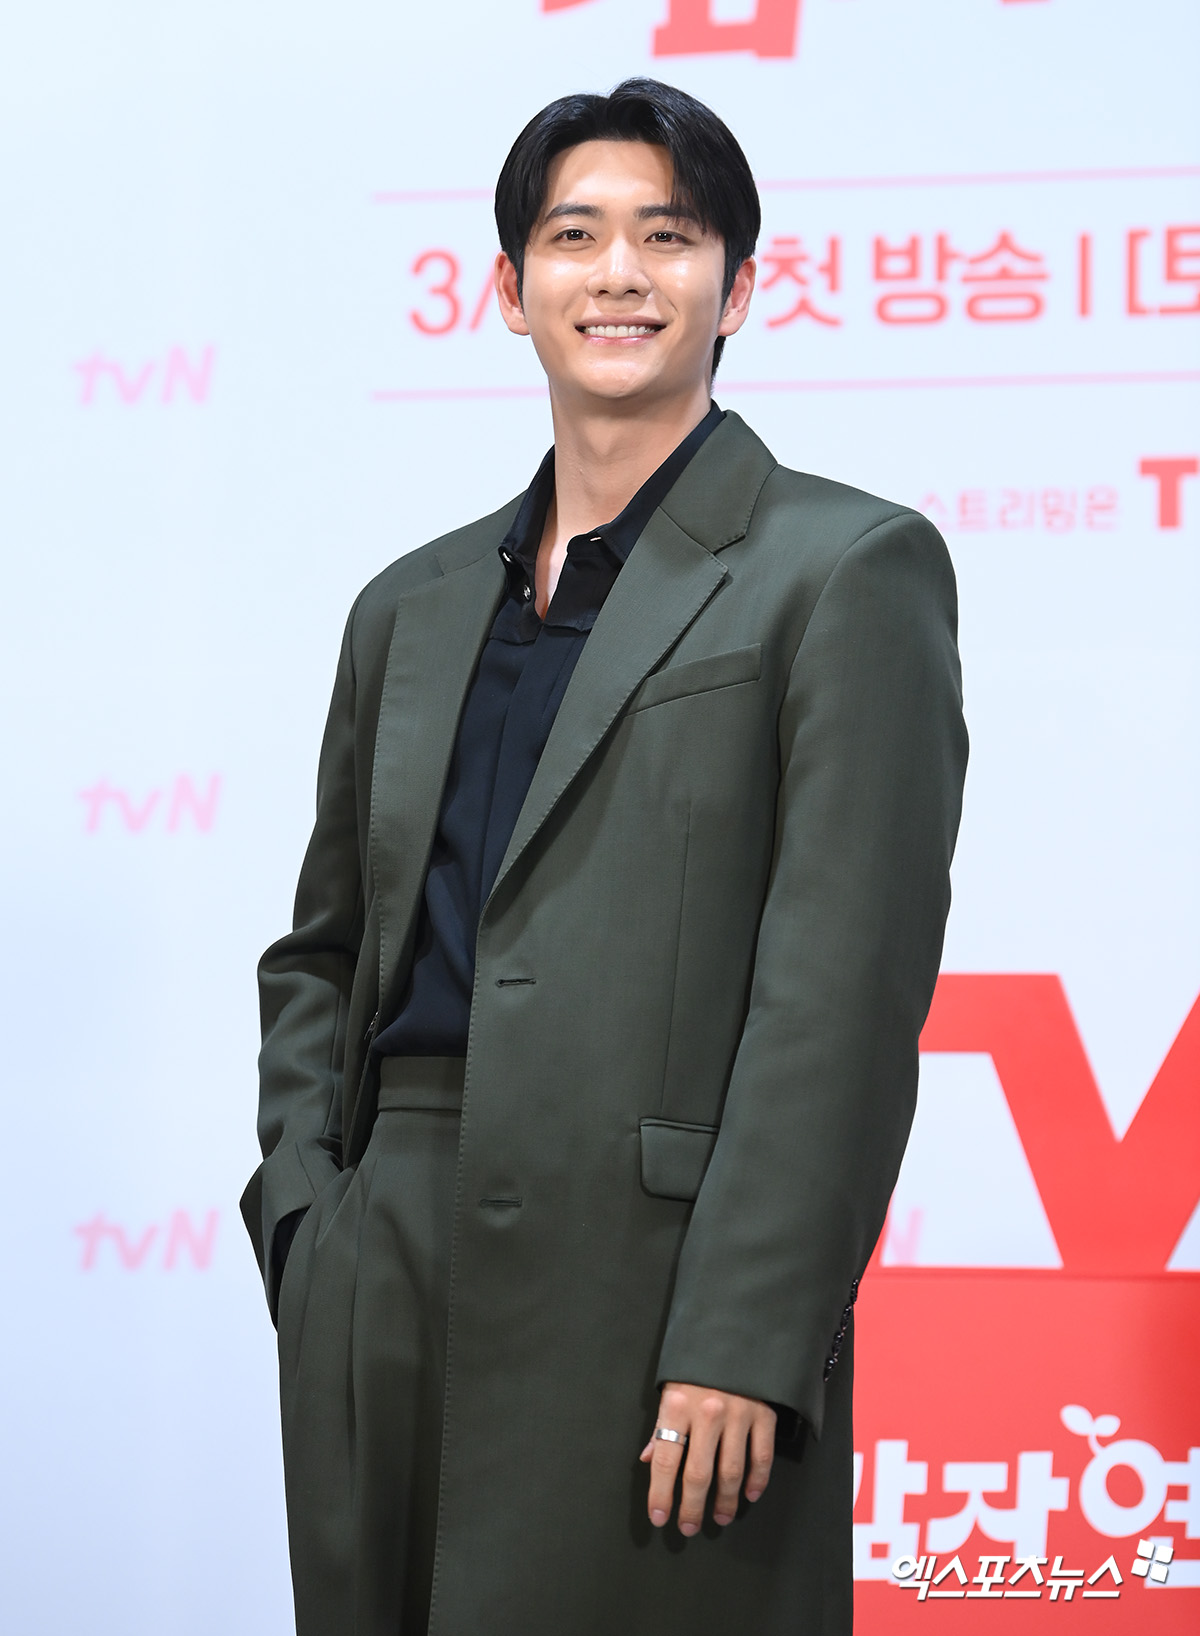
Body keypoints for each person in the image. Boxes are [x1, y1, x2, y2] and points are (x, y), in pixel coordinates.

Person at [241, 76, 967, 1636]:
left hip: (654, 1288)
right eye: (573, 237)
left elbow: (838, 1000)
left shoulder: (844, 567)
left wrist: (747, 1333)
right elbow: (323, 949)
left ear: (739, 288)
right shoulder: (412, 604)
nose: (619, 273)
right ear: (511, 291)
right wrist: (310, 1221)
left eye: (668, 235)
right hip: (385, 1263)